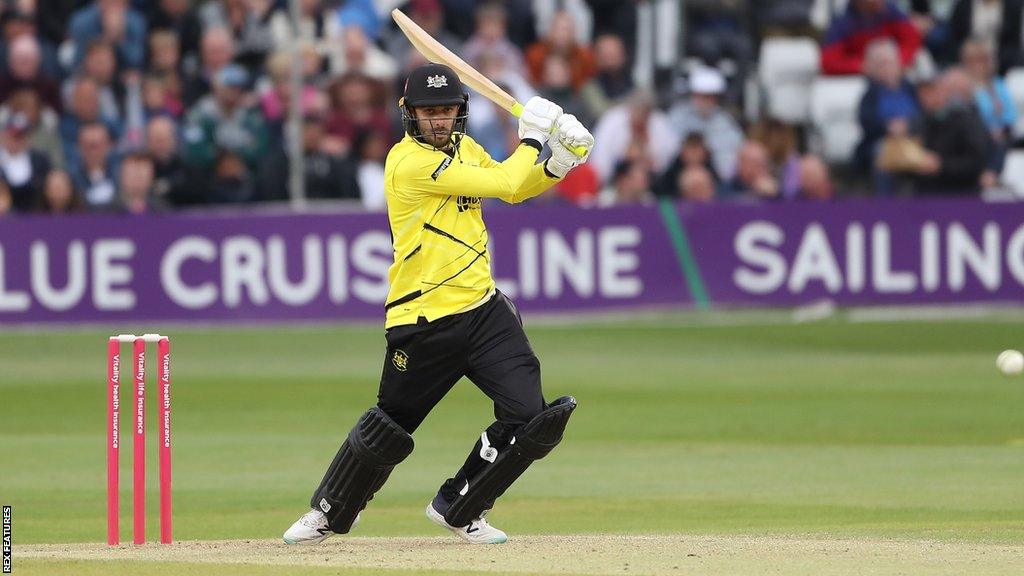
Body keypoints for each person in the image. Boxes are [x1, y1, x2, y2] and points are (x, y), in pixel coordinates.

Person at [283, 63, 593, 546]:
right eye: (429, 112)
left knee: (529, 416)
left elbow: (515, 189)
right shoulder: (406, 162)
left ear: (459, 111)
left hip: (484, 311)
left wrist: (559, 163)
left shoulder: (464, 149)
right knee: (391, 425)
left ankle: (461, 507)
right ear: (408, 113)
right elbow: (509, 182)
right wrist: (533, 139)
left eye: (447, 110)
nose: (439, 120)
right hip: (422, 318)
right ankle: (328, 512)